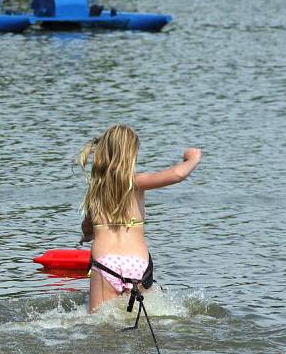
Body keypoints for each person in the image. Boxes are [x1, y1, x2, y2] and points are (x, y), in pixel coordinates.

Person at [78, 125, 201, 313]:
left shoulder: (96, 191)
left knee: (98, 323)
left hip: (105, 263)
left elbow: (87, 226)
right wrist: (193, 158)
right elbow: (178, 174)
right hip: (138, 265)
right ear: (131, 154)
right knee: (138, 318)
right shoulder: (136, 182)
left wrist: (87, 235)